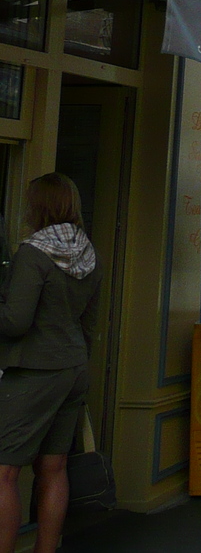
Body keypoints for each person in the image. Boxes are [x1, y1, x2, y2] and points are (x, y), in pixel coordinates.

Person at [0, 174, 102, 553]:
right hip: (73, 367)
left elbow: (15, 321)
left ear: (37, 205)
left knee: (4, 472)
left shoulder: (33, 253)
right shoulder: (87, 252)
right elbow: (89, 322)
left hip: (32, 372)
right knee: (54, 469)